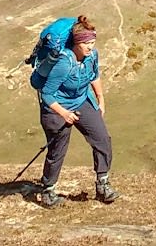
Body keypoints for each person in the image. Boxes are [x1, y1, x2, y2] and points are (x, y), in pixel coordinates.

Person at [34, 21, 116, 207]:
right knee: (57, 149)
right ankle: (48, 190)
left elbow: (94, 75)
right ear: (76, 42)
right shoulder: (64, 62)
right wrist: (63, 113)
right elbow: (47, 93)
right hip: (56, 108)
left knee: (102, 138)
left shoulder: (92, 55)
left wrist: (100, 98)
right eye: (85, 43)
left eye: (92, 43)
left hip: (81, 100)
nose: (90, 47)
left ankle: (103, 183)